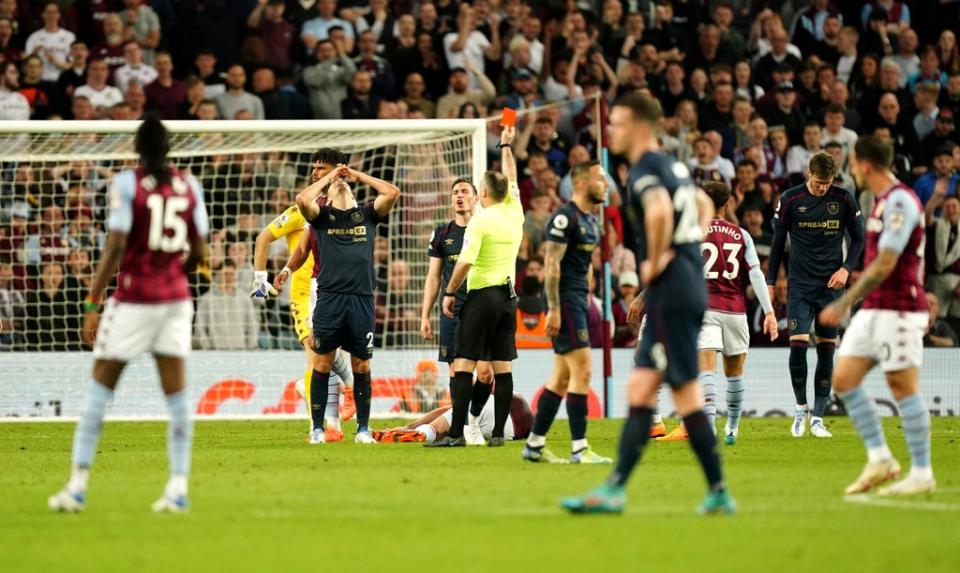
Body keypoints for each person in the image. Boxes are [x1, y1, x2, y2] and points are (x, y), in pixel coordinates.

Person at [562, 94, 733, 515]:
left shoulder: (643, 168)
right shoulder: (673, 164)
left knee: (685, 394)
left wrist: (656, 260)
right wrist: (688, 244)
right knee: (643, 389)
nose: (610, 131)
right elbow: (702, 204)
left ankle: (712, 491)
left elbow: (657, 211)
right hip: (687, 287)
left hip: (673, 291)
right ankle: (623, 488)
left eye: (617, 124)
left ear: (639, 127)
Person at [48, 115, 208, 513]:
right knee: (177, 395)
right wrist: (174, 274)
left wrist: (92, 301)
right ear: (169, 148)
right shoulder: (190, 185)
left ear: (137, 148)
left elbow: (116, 246)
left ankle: (78, 485)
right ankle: (178, 487)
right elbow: (202, 252)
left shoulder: (125, 183)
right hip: (174, 301)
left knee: (100, 389)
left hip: (134, 300)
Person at [819, 135, 935, 497]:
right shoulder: (883, 201)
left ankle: (921, 471)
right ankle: (880, 458)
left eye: (853, 163)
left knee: (902, 386)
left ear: (865, 164)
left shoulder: (900, 200)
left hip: (898, 308)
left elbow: (887, 260)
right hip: (875, 309)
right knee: (844, 379)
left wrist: (844, 301)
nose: (852, 169)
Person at [425, 124, 523, 448]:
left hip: (480, 297)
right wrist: (506, 146)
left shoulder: (480, 221)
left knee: (464, 365)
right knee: (504, 366)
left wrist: (450, 292)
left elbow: (465, 263)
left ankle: (456, 433)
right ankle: (496, 436)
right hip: (509, 298)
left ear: (481, 195)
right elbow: (511, 176)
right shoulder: (515, 211)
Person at [295, 159, 400, 444]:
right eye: (334, 186)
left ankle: (363, 429)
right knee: (322, 362)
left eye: (346, 186)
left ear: (355, 196)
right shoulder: (321, 217)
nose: (341, 185)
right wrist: (330, 176)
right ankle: (318, 428)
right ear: (327, 196)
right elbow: (302, 199)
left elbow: (391, 192)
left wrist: (355, 175)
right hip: (330, 299)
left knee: (362, 366)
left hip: (362, 300)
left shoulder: (366, 215)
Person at [255, 149, 355, 442]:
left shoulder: (347, 208)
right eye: (313, 168)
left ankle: (332, 422)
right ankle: (319, 427)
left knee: (332, 355)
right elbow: (263, 237)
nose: (315, 172)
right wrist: (261, 280)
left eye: (321, 168)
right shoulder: (302, 210)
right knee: (317, 356)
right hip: (304, 295)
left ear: (339, 170)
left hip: (337, 289)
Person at [766, 151, 865, 438]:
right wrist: (772, 281)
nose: (823, 188)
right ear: (809, 172)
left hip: (831, 288)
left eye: (827, 182)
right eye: (819, 182)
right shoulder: (791, 199)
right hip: (799, 286)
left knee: (826, 349)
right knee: (797, 346)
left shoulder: (844, 198)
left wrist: (846, 268)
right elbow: (776, 243)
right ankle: (800, 409)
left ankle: (818, 418)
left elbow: (859, 238)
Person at [522, 160, 610, 464]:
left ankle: (534, 445)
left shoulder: (591, 221)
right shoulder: (564, 217)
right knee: (582, 370)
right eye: (600, 179)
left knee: (560, 378)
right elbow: (551, 265)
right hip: (564, 299)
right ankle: (579, 448)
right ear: (582, 184)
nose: (606, 184)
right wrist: (555, 310)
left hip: (578, 300)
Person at [697, 182, 778, 446]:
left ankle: (708, 428)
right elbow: (755, 273)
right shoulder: (741, 234)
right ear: (727, 204)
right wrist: (769, 312)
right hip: (735, 311)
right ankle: (732, 428)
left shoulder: (694, 231)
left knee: (706, 368)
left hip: (705, 307)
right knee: (734, 373)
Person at [420, 178, 494, 446]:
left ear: (476, 198)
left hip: (484, 310)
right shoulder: (442, 234)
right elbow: (433, 278)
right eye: (455, 193)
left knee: (486, 374)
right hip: (453, 312)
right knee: (456, 373)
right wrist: (425, 315)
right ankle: (459, 431)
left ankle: (472, 421)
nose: (459, 196)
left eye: (464, 191)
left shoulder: (487, 230)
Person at [374, 393, 533, 445]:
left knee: (448, 420)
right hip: (509, 432)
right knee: (459, 423)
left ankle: (422, 433)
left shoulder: (487, 389)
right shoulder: (520, 400)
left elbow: (445, 409)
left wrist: (410, 425)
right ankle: (422, 434)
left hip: (489, 406)